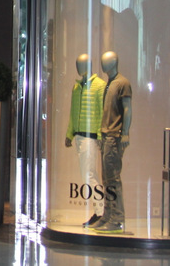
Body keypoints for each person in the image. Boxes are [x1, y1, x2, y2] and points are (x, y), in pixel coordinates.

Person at [64, 53, 106, 228]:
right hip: (80, 136)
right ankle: (100, 211)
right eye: (77, 64)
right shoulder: (77, 87)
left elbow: (102, 112)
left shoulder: (99, 86)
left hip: (91, 136)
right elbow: (73, 112)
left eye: (81, 64)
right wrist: (70, 134)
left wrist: (100, 135)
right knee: (88, 174)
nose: (78, 67)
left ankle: (100, 212)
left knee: (89, 174)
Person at [92, 51, 131, 234]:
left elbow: (127, 109)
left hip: (114, 136)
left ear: (114, 62)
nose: (103, 64)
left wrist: (125, 134)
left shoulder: (122, 83)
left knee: (113, 178)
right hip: (106, 135)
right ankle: (108, 215)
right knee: (107, 179)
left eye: (105, 61)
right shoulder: (110, 83)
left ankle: (117, 219)